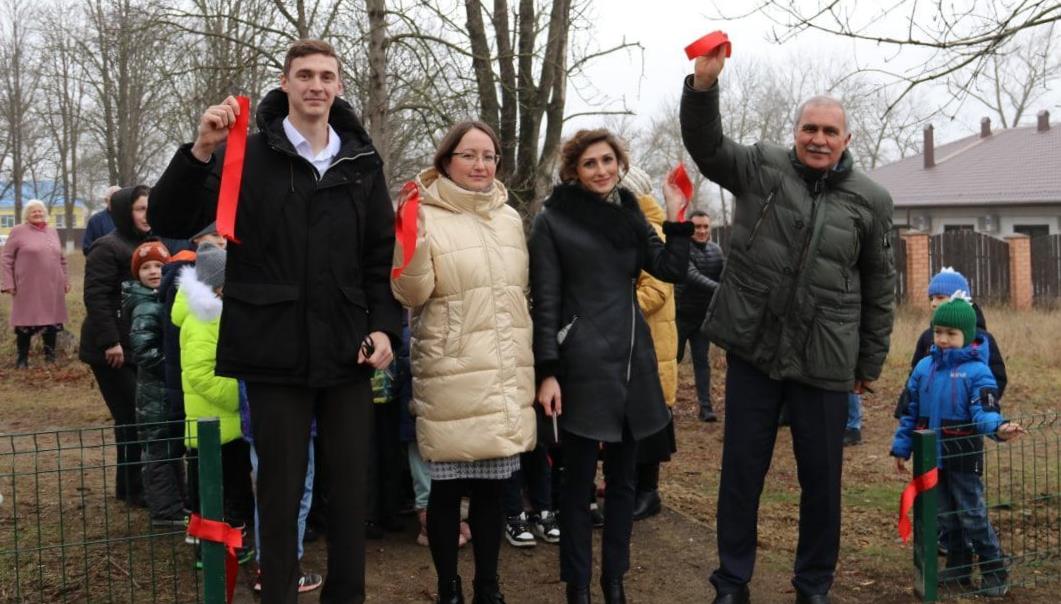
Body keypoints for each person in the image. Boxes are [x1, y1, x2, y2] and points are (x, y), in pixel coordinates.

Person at [148, 39, 400, 603]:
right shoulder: (249, 154)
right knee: (281, 491)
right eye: (304, 75)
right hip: (272, 348)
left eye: (327, 76)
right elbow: (169, 218)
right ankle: (278, 594)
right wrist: (201, 149)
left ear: (339, 87)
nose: (316, 85)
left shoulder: (360, 161)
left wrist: (385, 327)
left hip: (346, 347)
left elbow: (380, 253)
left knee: (349, 489)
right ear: (285, 84)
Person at [680, 46, 896, 604]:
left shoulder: (871, 201)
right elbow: (706, 148)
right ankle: (732, 581)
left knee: (821, 484)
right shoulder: (762, 166)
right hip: (755, 349)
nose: (818, 139)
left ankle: (813, 584)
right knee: (741, 475)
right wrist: (703, 88)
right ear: (794, 131)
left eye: (829, 131)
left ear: (846, 139)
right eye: (809, 128)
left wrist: (868, 364)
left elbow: (880, 287)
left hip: (825, 360)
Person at [530, 128, 692, 604]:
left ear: (619, 163)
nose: (601, 171)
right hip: (579, 366)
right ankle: (578, 586)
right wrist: (547, 371)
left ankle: (614, 581)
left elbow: (669, 268)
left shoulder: (629, 210)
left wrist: (677, 213)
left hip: (631, 364)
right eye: (590, 164)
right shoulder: (553, 221)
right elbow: (546, 301)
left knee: (622, 484)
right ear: (573, 171)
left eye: (608, 161)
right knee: (577, 486)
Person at [391, 120, 536, 604]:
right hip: (451, 370)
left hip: (502, 370)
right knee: (448, 494)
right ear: (447, 160)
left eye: (489, 156)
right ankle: (449, 586)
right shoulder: (424, 213)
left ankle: (488, 587)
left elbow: (519, 295)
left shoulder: (509, 218)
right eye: (469, 155)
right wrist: (410, 237)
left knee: (493, 492)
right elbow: (409, 293)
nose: (480, 165)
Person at [890, 296, 1023, 597]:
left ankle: (994, 569)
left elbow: (984, 409)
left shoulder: (978, 371)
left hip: (962, 453)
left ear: (967, 335)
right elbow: (911, 411)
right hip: (929, 457)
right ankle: (959, 566)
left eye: (951, 334)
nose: (943, 339)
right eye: (939, 332)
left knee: (971, 514)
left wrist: (999, 427)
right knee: (943, 516)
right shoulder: (924, 367)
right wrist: (902, 447)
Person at [172, 242, 254, 566]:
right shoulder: (204, 320)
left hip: (223, 425)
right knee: (217, 493)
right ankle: (216, 551)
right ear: (218, 287)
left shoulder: (213, 314)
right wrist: (240, 396)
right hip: (215, 424)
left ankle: (228, 545)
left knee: (227, 489)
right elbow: (201, 374)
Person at [79, 185, 152, 506]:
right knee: (130, 417)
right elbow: (96, 297)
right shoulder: (106, 247)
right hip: (109, 349)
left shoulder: (148, 244)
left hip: (138, 344)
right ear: (125, 211)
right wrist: (110, 342)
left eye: (149, 208)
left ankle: (131, 486)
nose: (146, 215)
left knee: (136, 417)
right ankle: (134, 488)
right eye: (140, 209)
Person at [620, 166, 679, 522]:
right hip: (637, 342)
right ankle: (631, 487)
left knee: (649, 422)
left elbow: (656, 290)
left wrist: (609, 307)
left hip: (650, 343)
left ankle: (648, 492)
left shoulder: (649, 230)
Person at [123, 239, 189, 525]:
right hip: (154, 391)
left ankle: (176, 504)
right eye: (145, 267)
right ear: (136, 273)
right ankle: (164, 511)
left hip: (164, 392)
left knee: (172, 447)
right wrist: (171, 370)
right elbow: (144, 350)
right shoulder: (144, 305)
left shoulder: (161, 299)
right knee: (159, 451)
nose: (153, 272)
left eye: (159, 266)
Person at [907, 268, 1007, 397]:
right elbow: (915, 376)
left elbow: (997, 377)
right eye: (931, 298)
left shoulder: (981, 338)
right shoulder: (927, 336)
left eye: (940, 297)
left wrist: (981, 404)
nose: (933, 304)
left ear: (959, 299)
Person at [1, 199, 69, 368]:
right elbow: (6, 258)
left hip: (53, 286)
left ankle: (50, 358)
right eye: (33, 211)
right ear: (27, 215)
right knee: (25, 321)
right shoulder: (18, 231)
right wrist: (8, 283)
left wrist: (65, 280)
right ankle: (22, 359)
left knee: (51, 321)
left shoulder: (52, 231)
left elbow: (61, 258)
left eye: (40, 211)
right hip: (27, 286)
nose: (38, 213)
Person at [674, 209, 725, 422]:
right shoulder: (681, 248)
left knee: (702, 362)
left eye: (705, 227)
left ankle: (706, 408)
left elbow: (725, 273)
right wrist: (722, 290)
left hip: (702, 317)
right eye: (697, 227)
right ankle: (664, 406)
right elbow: (692, 276)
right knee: (672, 361)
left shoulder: (716, 250)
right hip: (678, 316)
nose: (702, 231)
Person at [82, 185, 121, 256]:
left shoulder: (130, 218)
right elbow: (87, 247)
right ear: (106, 200)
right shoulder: (95, 221)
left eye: (120, 198)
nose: (118, 201)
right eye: (114, 198)